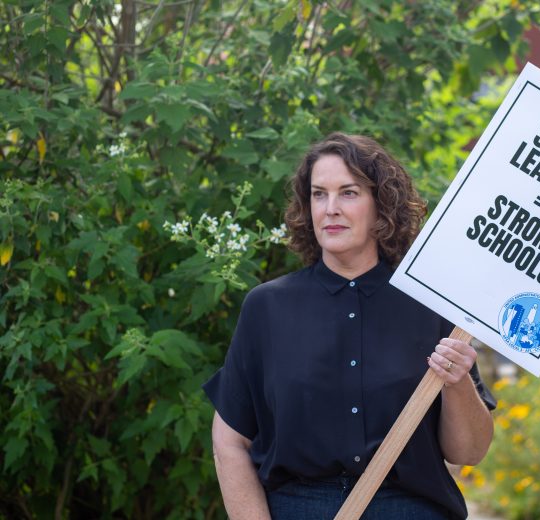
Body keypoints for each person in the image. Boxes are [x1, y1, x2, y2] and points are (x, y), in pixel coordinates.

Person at [203, 133, 495, 519]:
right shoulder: (267, 308)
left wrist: (458, 385)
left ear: (381, 206)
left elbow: (468, 452)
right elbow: (229, 441)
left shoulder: (430, 304)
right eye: (319, 194)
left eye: (349, 193)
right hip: (300, 508)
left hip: (410, 508)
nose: (330, 209)